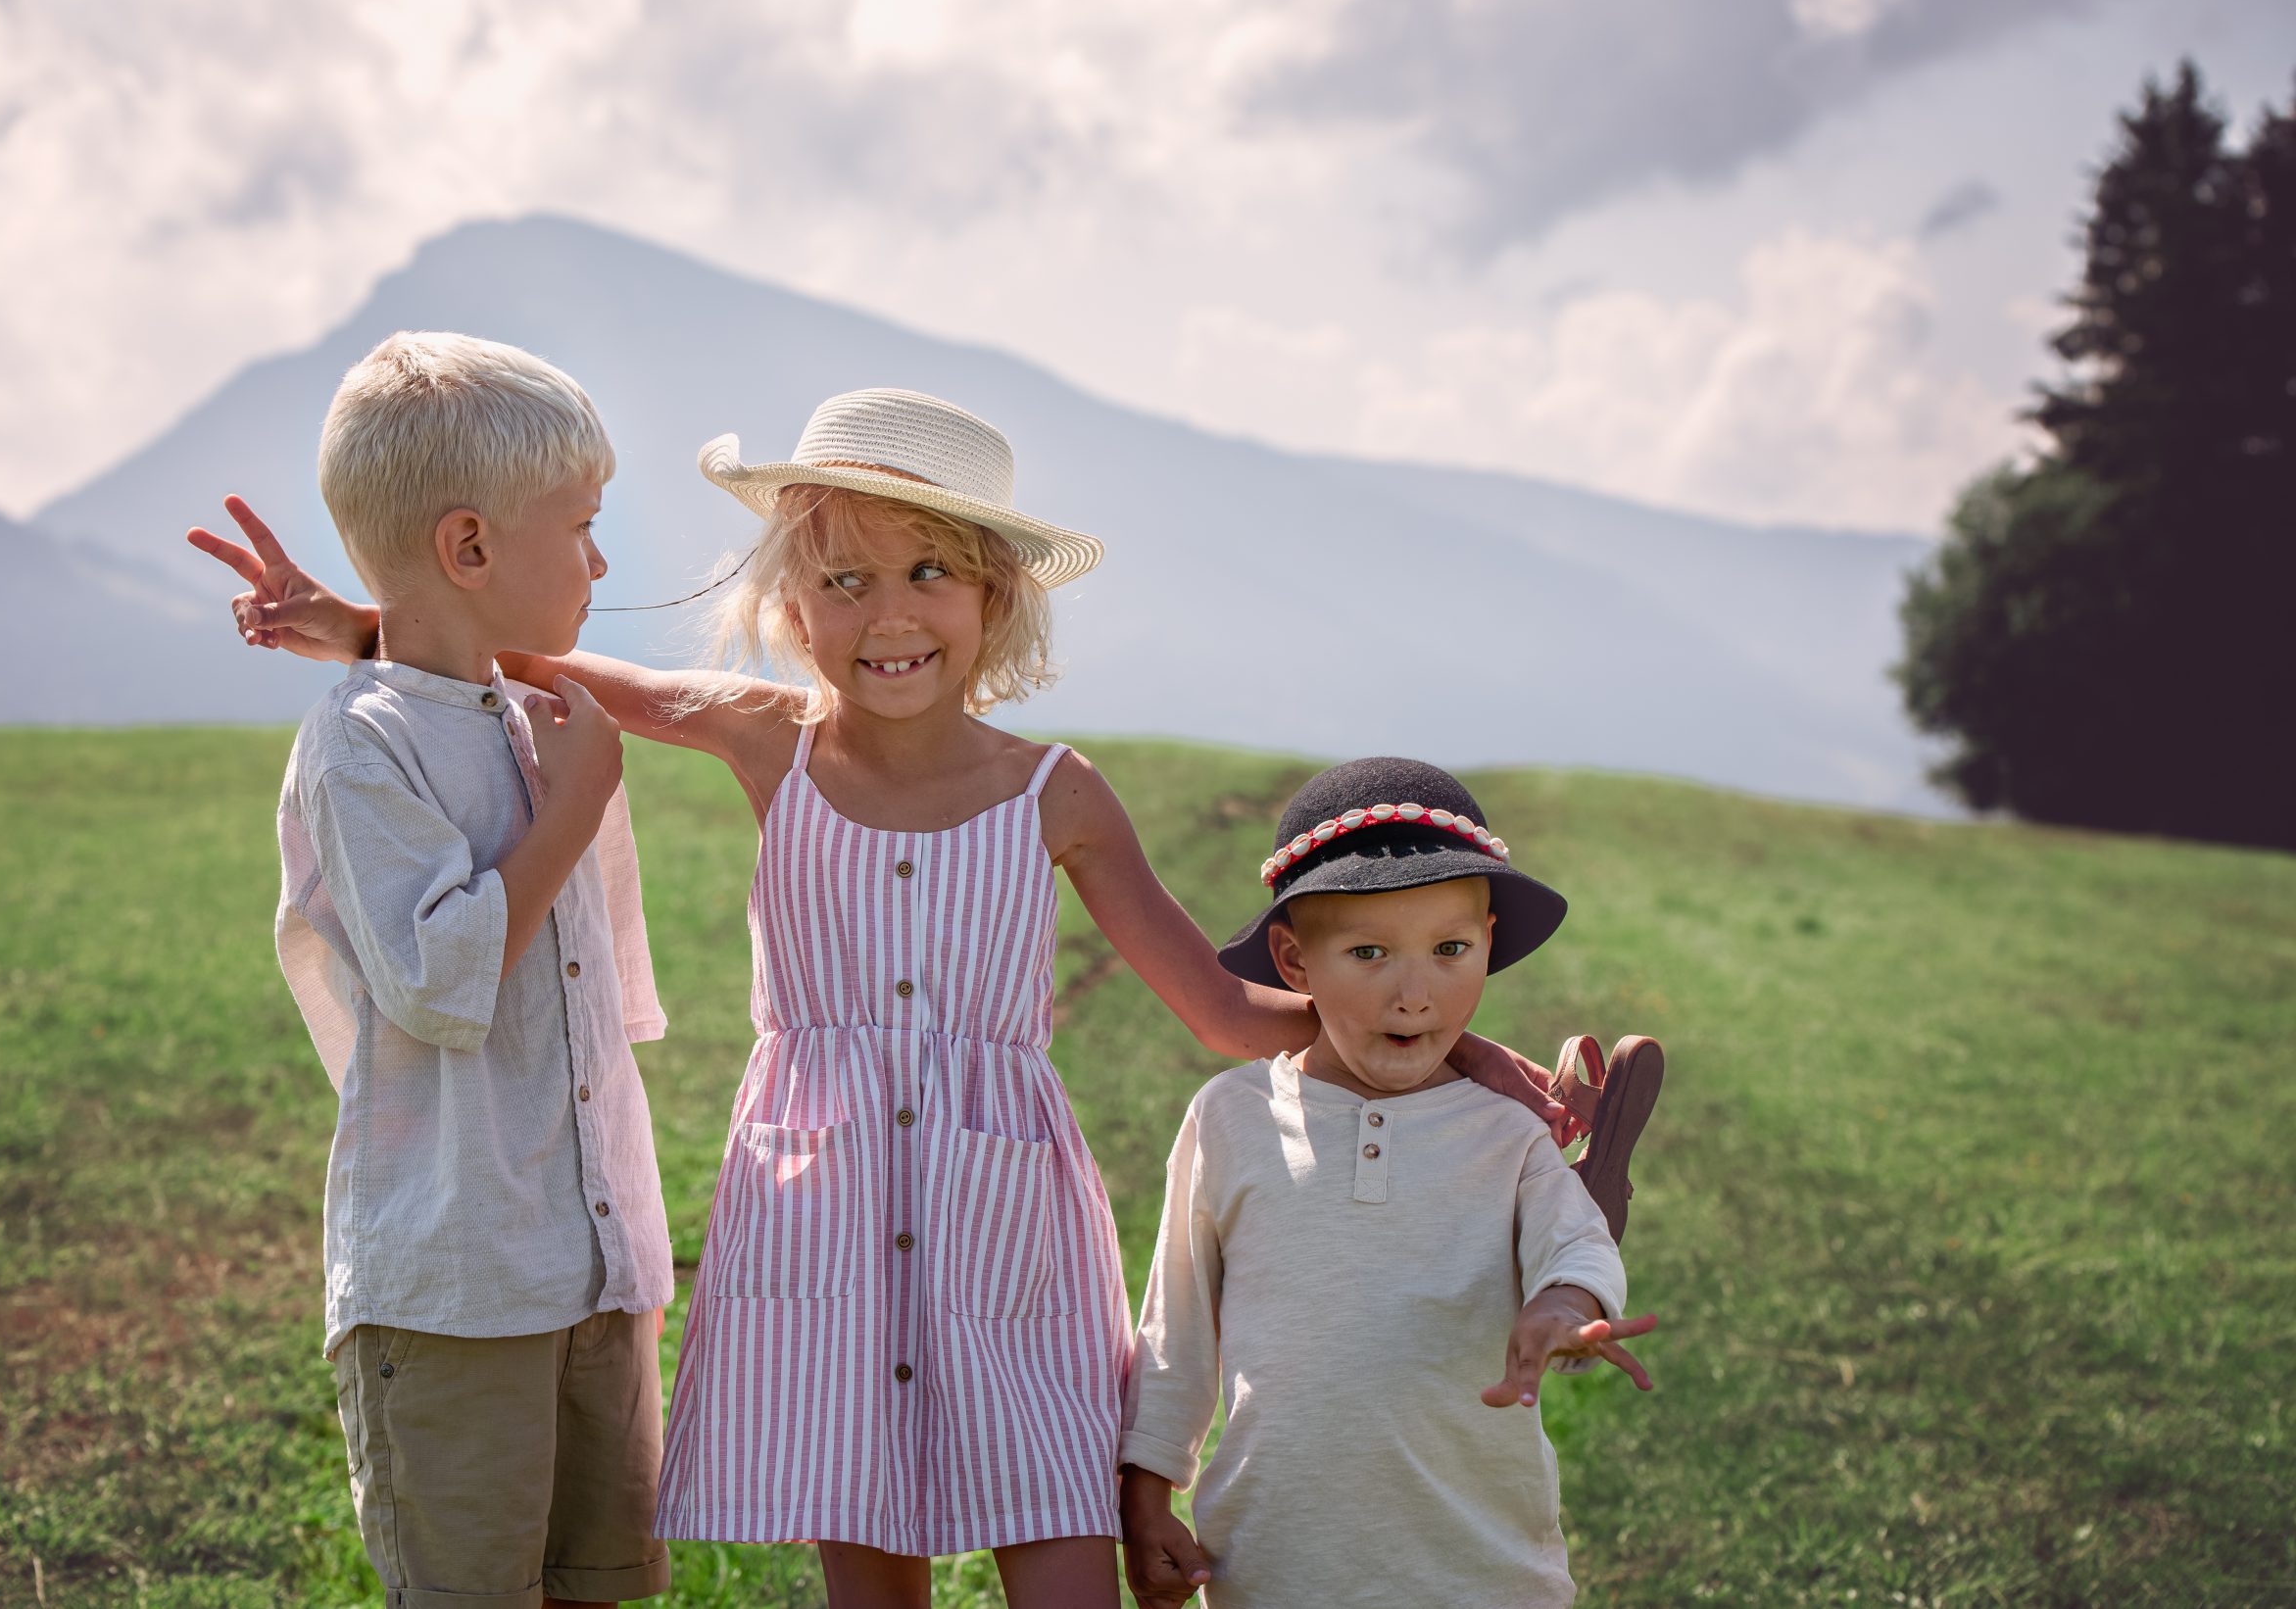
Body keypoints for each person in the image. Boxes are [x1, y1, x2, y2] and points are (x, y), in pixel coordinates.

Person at [189, 387, 1581, 1608]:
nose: (890, 614)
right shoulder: (765, 739)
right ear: (789, 606)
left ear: (995, 600)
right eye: (843, 580)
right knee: (862, 1537)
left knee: (1057, 1522)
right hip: (824, 1217)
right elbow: (532, 661)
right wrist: (355, 627)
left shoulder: (1058, 794)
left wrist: (1445, 1047)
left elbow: (1226, 1015)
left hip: (1008, 1227)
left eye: (931, 573)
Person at [229, 331, 675, 1608]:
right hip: (459, 1290)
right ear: (470, 546)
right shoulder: (360, 743)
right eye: (582, 527)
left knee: (597, 1581)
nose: (600, 562)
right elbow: (438, 980)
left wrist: (372, 624)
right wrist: (571, 810)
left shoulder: (537, 711)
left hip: (595, 1262)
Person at [1118, 757, 1662, 1609]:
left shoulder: (1507, 1135)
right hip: (1276, 1570)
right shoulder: (1232, 1118)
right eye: (1368, 952)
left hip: (1481, 1574)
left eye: (1450, 950)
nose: (1415, 993)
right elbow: (1174, 1326)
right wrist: (1146, 1494)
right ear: (1294, 960)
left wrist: (1563, 1306)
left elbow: (1577, 1244)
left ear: (1488, 941)